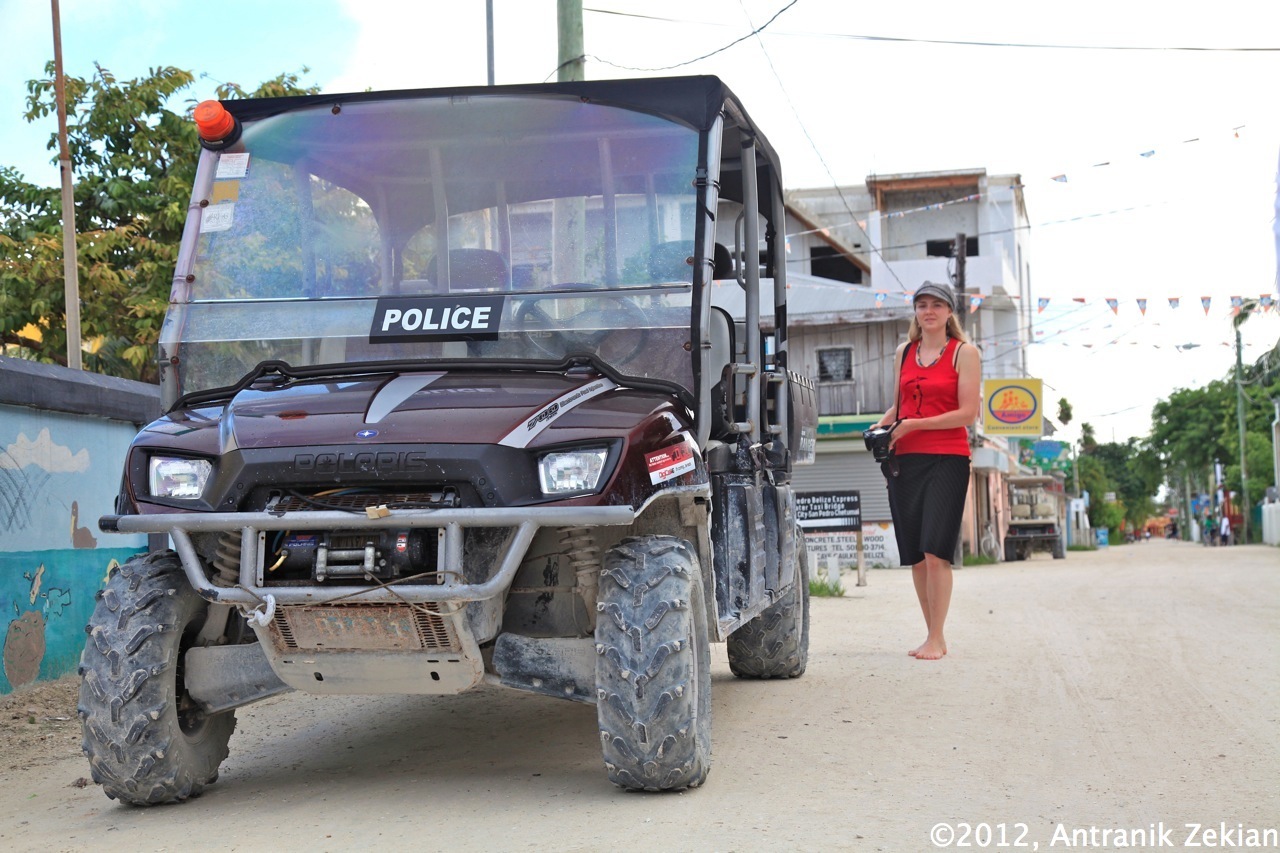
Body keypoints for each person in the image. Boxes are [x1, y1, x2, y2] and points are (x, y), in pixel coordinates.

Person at [872, 281, 981, 661]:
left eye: (937, 305)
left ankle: (937, 637)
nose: (929, 311)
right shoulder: (904, 352)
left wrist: (915, 425)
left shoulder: (964, 353)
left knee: (937, 551)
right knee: (916, 554)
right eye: (922, 305)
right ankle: (931, 634)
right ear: (915, 312)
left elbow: (968, 414)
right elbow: (900, 408)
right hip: (905, 460)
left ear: (950, 312)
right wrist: (879, 427)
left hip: (947, 459)